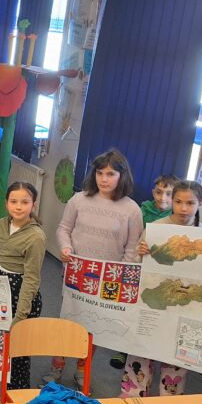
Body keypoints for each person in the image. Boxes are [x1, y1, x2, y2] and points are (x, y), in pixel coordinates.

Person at [124, 180, 202, 398]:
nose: (183, 208)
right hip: (154, 302)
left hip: (186, 307)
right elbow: (137, 265)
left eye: (190, 203)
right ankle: (133, 395)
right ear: (172, 201)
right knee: (142, 349)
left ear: (200, 202)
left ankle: (169, 401)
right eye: (178, 202)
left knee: (177, 355)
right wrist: (141, 253)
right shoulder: (156, 229)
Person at [49, 149, 142, 386]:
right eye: (100, 173)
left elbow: (133, 249)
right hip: (76, 275)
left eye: (110, 174)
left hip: (107, 281)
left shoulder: (132, 209)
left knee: (94, 328)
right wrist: (66, 248)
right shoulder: (78, 200)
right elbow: (63, 229)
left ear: (122, 176)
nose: (104, 179)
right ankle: (56, 370)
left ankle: (82, 371)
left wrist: (120, 276)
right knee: (67, 321)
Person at [0, 181, 47, 404]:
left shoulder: (36, 237)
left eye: (25, 202)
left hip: (22, 296)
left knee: (17, 351)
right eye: (13, 201)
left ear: (33, 205)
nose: (18, 207)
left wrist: (20, 316)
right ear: (6, 203)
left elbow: (32, 278)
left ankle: (12, 397)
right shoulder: (1, 224)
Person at [111, 173, 180, 370]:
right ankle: (123, 349)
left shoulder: (177, 218)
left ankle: (151, 349)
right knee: (132, 310)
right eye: (159, 192)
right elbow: (131, 238)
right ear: (152, 192)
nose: (163, 198)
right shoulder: (142, 212)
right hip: (139, 267)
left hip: (165, 272)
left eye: (169, 194)